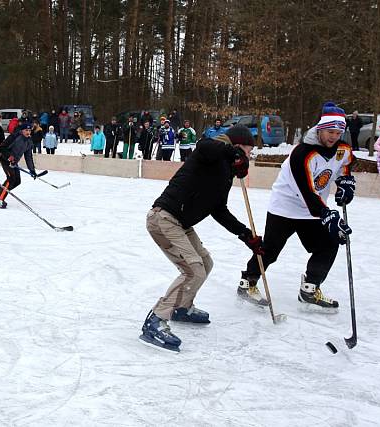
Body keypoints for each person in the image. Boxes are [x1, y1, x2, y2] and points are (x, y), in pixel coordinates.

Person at [140, 125, 260, 352]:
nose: (249, 156)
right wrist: (232, 153)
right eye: (247, 150)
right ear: (236, 145)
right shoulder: (210, 152)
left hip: (181, 223)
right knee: (193, 270)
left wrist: (246, 235)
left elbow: (219, 209)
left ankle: (182, 308)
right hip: (163, 218)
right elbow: (204, 145)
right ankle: (155, 320)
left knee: (205, 263)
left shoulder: (225, 172)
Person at [237, 102, 355, 311]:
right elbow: (306, 191)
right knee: (271, 250)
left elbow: (343, 166)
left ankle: (310, 288)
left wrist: (345, 182)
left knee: (329, 242)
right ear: (320, 128)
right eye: (330, 131)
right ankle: (248, 281)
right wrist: (327, 214)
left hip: (313, 209)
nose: (334, 137)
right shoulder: (302, 153)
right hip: (286, 206)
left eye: (338, 132)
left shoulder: (343, 149)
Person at [0, 123, 37, 209]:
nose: (28, 132)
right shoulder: (14, 136)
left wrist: (32, 170)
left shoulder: (29, 141)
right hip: (5, 159)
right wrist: (10, 157)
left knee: (17, 181)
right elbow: (2, 148)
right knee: (11, 178)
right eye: (26, 130)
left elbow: (28, 156)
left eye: (29, 130)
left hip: (14, 162)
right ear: (22, 131)